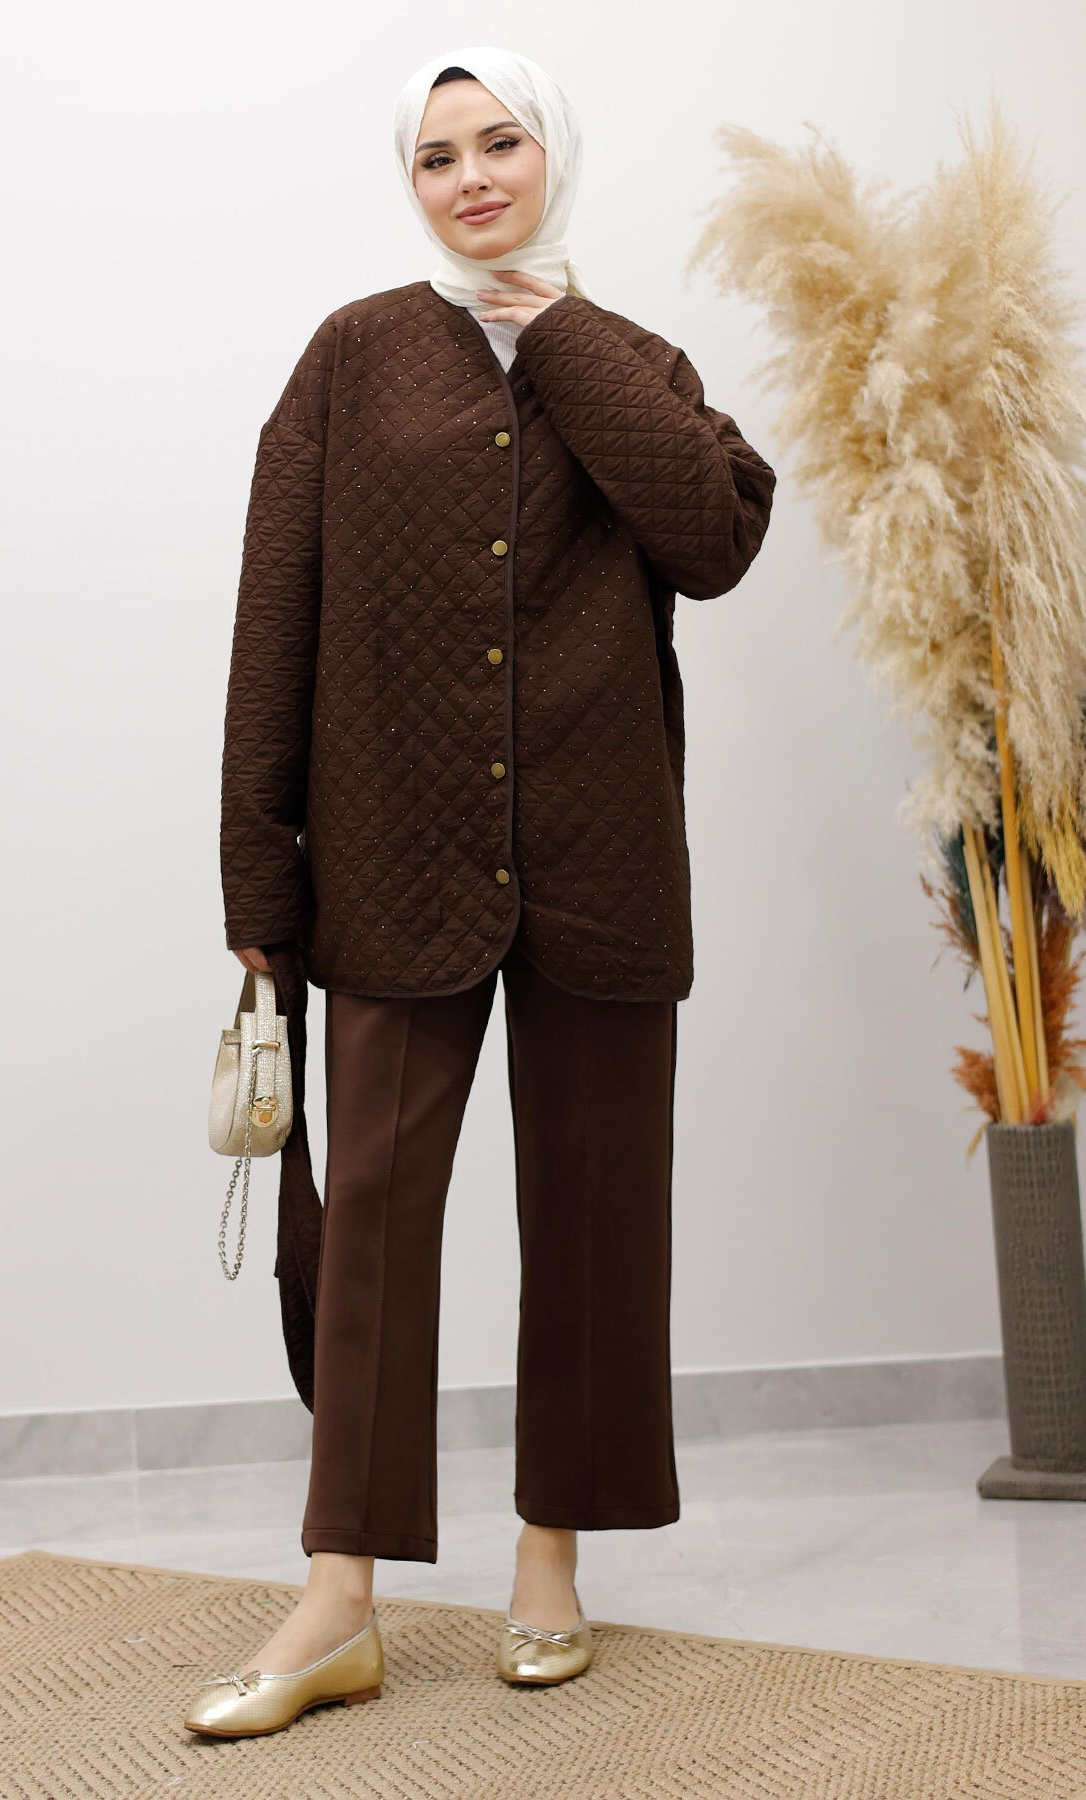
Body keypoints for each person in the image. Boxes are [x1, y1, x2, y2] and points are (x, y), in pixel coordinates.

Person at [185, 43, 776, 1738]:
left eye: (500, 143)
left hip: (601, 859)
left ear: (551, 155)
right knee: (366, 1224)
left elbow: (717, 540)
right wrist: (258, 868)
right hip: (390, 854)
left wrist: (558, 332)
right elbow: (272, 618)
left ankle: (550, 1565)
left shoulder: (633, 361)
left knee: (595, 1220)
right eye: (437, 156)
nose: (469, 179)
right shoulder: (351, 356)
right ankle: (338, 1600)